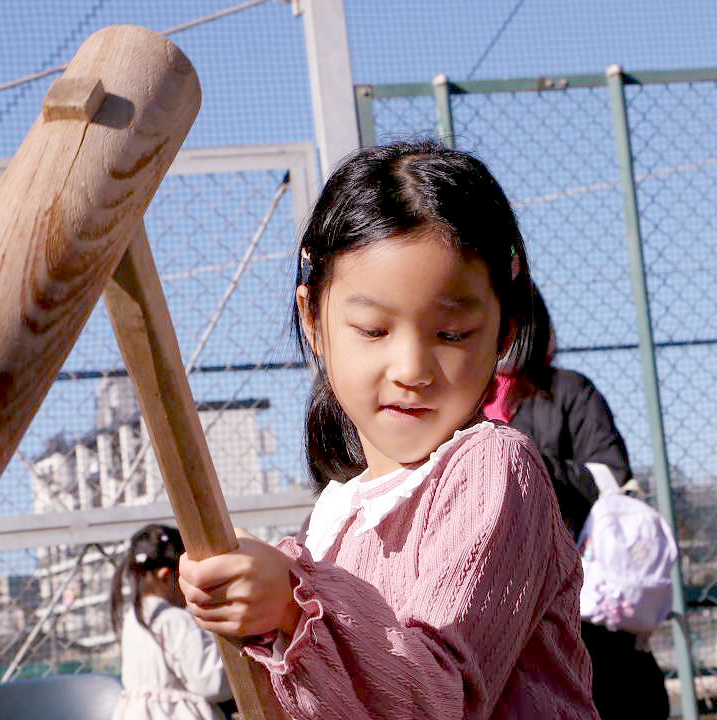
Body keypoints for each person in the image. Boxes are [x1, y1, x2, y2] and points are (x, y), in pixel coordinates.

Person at [176, 140, 597, 718]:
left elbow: (441, 698)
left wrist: (294, 607)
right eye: (373, 330)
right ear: (313, 319)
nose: (411, 369)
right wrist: (257, 616)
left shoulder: (493, 468)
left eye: (452, 334)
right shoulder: (333, 515)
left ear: (504, 331)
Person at [484, 288, 671, 719]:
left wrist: (519, 458)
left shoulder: (567, 391)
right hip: (491, 599)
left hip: (576, 596)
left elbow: (610, 476)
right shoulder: (456, 400)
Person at [109, 523, 232, 720]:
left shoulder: (133, 618)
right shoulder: (175, 619)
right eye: (187, 578)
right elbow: (210, 682)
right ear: (166, 576)